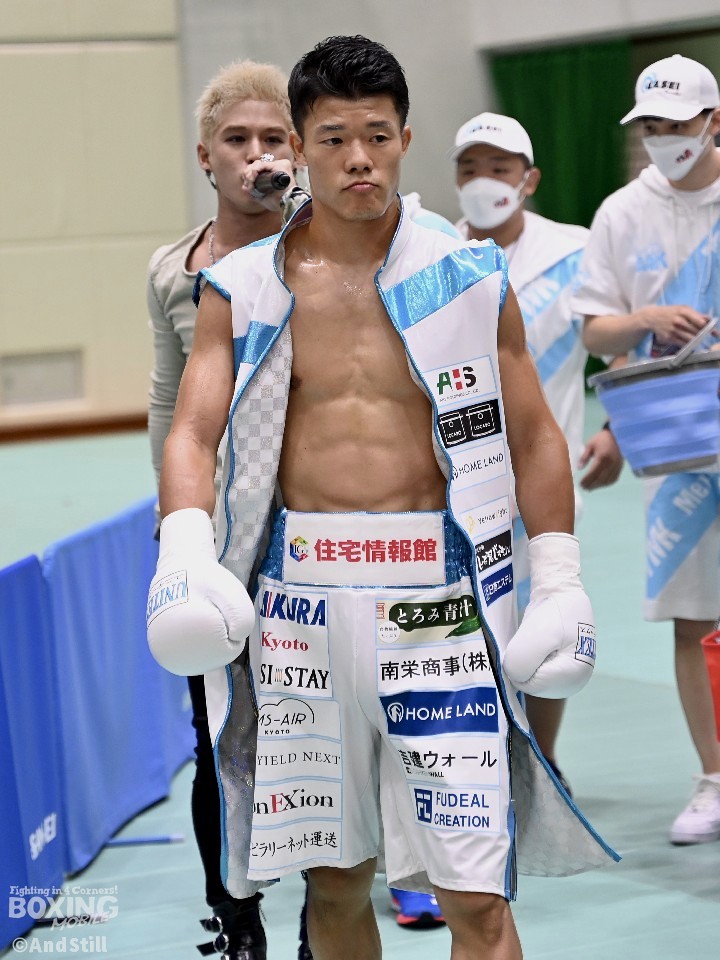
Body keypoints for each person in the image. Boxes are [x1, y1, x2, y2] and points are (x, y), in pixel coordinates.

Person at [148, 35, 618, 960]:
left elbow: (534, 434)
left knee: (477, 898)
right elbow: (192, 432)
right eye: (332, 139)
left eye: (376, 136)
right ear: (299, 147)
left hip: (440, 608)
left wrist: (559, 575)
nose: (358, 159)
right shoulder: (240, 286)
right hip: (300, 611)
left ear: (405, 138)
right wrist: (185, 551)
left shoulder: (470, 276)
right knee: (332, 885)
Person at [145, 58, 311, 960]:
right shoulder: (173, 271)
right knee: (216, 731)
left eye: (273, 138)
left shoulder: (328, 250)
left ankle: (327, 921)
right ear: (205, 156)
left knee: (317, 725)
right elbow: (170, 403)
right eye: (236, 140)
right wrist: (177, 532)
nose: (256, 154)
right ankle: (236, 919)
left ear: (299, 151)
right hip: (212, 541)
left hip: (312, 530)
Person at [449, 111, 623, 792]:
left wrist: (617, 429)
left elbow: (620, 336)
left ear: (530, 179)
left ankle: (541, 764)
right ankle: (480, 763)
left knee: (546, 620)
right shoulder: (434, 253)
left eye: (498, 168)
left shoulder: (573, 252)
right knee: (470, 625)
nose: (482, 181)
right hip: (459, 481)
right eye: (469, 168)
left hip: (547, 477)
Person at [573, 53, 720, 844]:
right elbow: (595, 330)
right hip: (676, 441)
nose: (666, 138)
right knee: (692, 618)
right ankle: (714, 778)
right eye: (652, 126)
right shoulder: (622, 213)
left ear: (714, 122)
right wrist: (649, 320)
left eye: (678, 124)